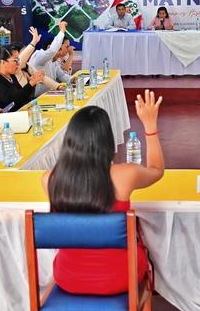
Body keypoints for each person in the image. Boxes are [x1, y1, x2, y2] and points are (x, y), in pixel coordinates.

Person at [42, 90, 164, 295]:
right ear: (107, 140)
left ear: (70, 139)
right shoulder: (126, 175)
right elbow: (157, 170)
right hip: (119, 277)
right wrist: (150, 127)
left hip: (68, 277)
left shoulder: (49, 179)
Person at [0, 46, 45, 119]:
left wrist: (33, 83)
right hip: (3, 121)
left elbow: (21, 96)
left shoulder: (11, 76)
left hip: (16, 116)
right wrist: (31, 83)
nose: (18, 64)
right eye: (15, 60)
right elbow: (12, 101)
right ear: (3, 62)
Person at [29, 21, 72, 97]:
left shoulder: (54, 60)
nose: (60, 53)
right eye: (59, 49)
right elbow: (52, 51)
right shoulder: (39, 56)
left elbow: (61, 75)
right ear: (49, 47)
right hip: (37, 99)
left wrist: (72, 79)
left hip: (50, 95)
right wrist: (62, 31)